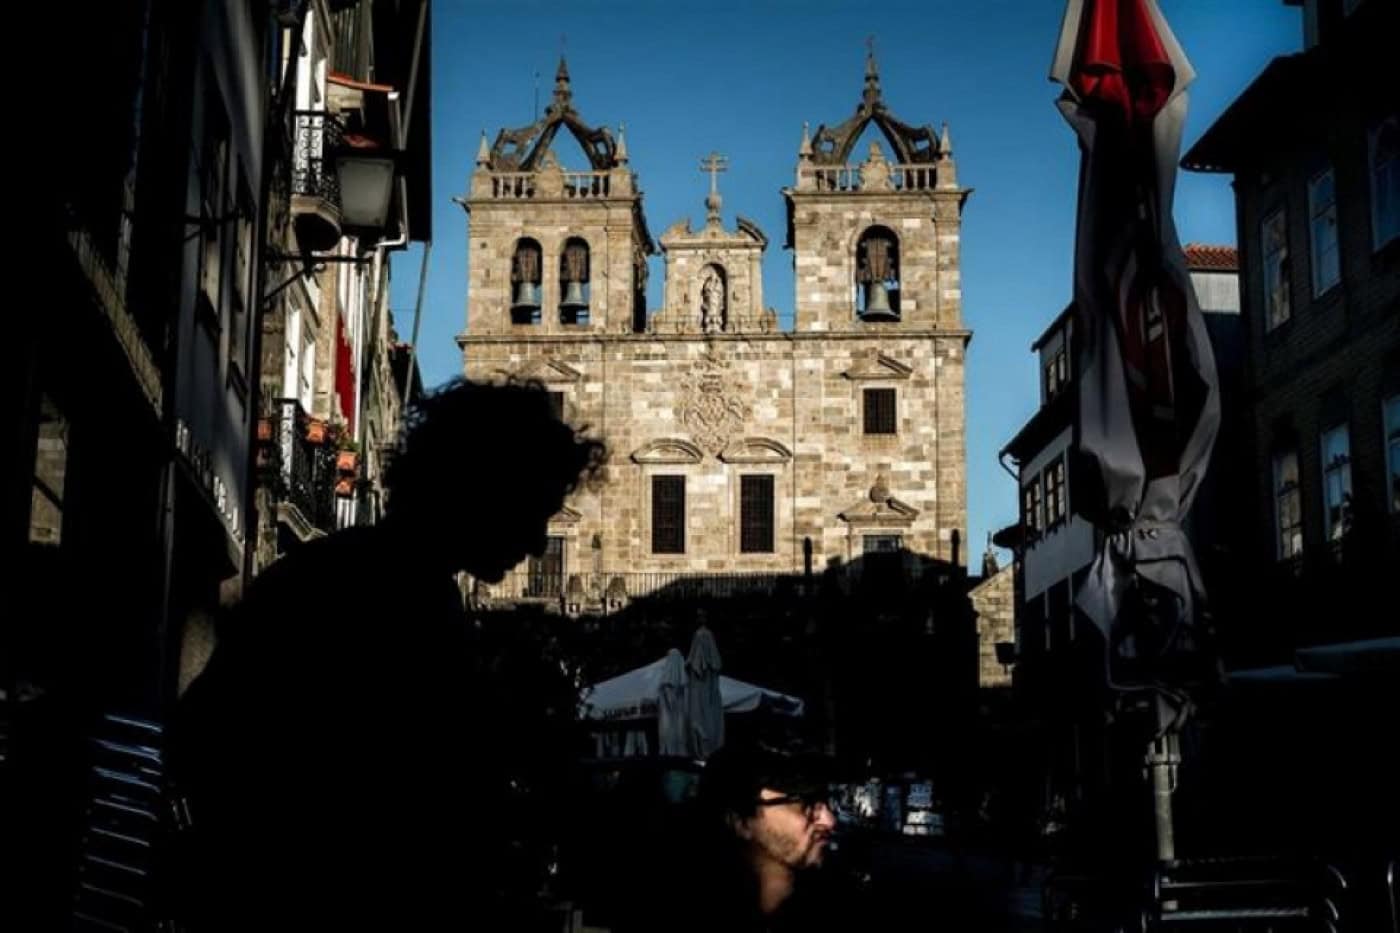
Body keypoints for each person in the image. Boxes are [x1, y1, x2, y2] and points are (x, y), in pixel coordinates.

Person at [171, 378, 603, 930]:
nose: (542, 542)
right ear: (486, 490)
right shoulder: (385, 596)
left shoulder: (355, 576)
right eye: (535, 509)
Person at [623, 743, 864, 932]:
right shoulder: (679, 913)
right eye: (807, 805)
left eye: (826, 801)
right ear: (741, 821)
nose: (829, 820)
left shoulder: (842, 906)